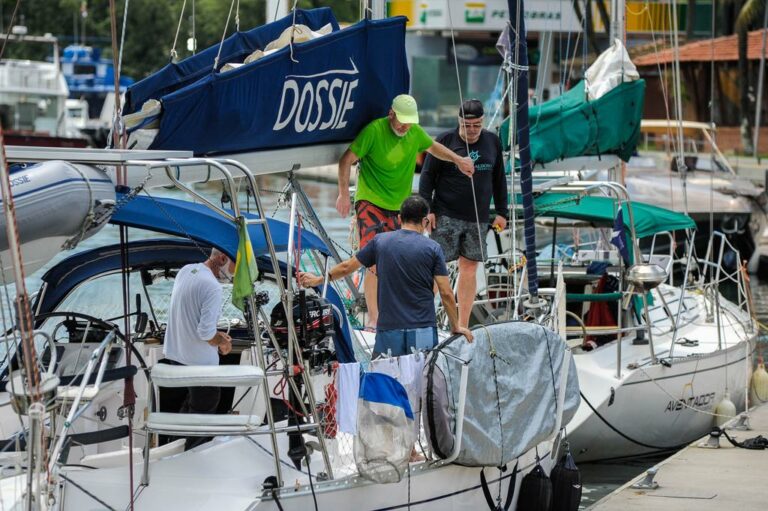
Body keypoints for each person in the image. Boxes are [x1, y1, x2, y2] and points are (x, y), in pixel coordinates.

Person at [336, 94, 475, 329]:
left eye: (409, 122)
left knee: (402, 260)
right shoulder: (374, 131)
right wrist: (342, 193)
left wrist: (458, 160)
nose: (405, 126)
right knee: (374, 262)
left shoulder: (413, 132)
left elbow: (434, 148)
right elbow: (345, 160)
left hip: (399, 207)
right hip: (371, 202)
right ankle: (374, 318)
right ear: (391, 114)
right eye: (402, 121)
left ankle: (399, 313)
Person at [302, 195, 473, 356]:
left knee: (385, 382)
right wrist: (455, 325)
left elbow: (347, 267)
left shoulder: (380, 242)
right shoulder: (433, 248)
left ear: (399, 219)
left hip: (389, 331)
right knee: (423, 381)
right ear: (425, 221)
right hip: (423, 330)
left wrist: (318, 279)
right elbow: (446, 293)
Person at [419, 99, 509, 328]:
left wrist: (501, 212)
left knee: (469, 269)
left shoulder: (492, 141)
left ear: (483, 122)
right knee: (436, 267)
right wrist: (427, 210)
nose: (471, 130)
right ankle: (423, 320)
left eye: (476, 125)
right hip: (446, 213)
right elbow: (427, 176)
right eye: (466, 125)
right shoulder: (445, 141)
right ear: (459, 121)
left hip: (477, 217)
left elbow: (499, 179)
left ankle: (462, 324)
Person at [160, 248, 235, 448]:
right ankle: (189, 454)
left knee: (192, 405)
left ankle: (173, 445)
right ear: (223, 258)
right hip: (199, 363)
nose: (235, 274)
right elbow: (205, 333)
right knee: (205, 406)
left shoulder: (186, 270)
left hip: (177, 355)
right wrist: (223, 342)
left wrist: (216, 334)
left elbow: (191, 315)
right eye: (235, 268)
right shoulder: (213, 287)